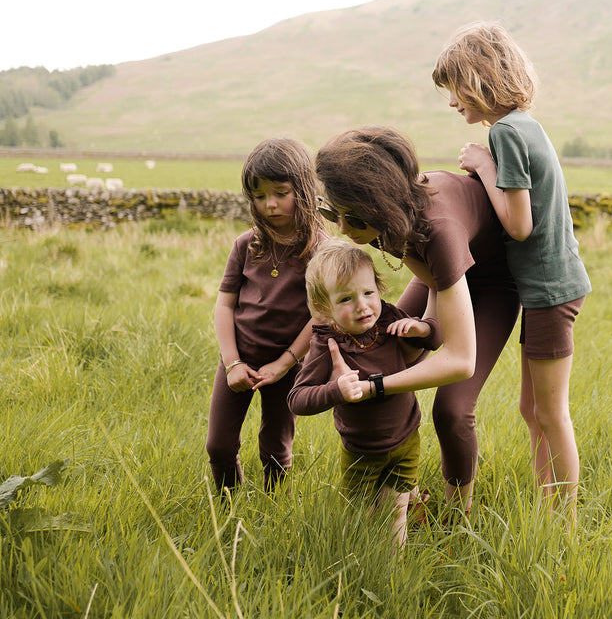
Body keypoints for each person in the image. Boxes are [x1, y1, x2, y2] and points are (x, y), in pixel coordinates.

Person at [314, 125, 520, 518]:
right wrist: (425, 330)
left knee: (452, 409)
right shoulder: (387, 220)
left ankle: (458, 518)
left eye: (350, 217)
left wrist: (375, 386)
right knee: (386, 351)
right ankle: (396, 487)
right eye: (333, 213)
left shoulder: (438, 230)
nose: (341, 229)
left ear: (377, 204)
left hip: (492, 283)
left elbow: (460, 361)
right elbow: (433, 282)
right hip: (443, 274)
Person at [432, 21, 591, 523]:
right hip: (552, 286)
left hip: (548, 291)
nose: (453, 103)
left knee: (551, 412)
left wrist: (481, 165)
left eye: (456, 89)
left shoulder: (503, 134)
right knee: (532, 410)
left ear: (479, 79)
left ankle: (561, 522)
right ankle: (547, 502)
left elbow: (519, 225)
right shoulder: (526, 124)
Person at [287, 239, 442, 551]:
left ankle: (392, 569)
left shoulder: (387, 318)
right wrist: (336, 389)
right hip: (361, 452)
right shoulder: (327, 342)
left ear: (378, 288)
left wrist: (421, 329)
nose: (362, 305)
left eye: (368, 292)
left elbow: (436, 339)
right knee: (358, 516)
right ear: (324, 308)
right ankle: (353, 564)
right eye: (346, 298)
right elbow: (297, 399)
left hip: (406, 440)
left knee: (395, 512)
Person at [206, 138, 325, 492]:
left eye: (280, 192)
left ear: (303, 189)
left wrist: (285, 364)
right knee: (219, 445)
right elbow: (225, 304)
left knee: (276, 447)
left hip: (289, 365)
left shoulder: (320, 250)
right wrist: (232, 363)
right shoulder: (246, 244)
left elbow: (321, 314)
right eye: (259, 196)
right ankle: (228, 509)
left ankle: (274, 511)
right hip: (238, 360)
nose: (270, 204)